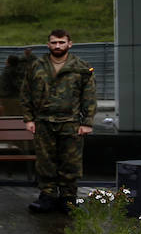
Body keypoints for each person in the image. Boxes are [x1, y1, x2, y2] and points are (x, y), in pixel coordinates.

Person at [21, 29, 96, 213]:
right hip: (43, 122)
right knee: (45, 161)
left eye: (61, 42)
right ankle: (47, 196)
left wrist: (87, 122)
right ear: (48, 45)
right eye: (54, 42)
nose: (57, 46)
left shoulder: (81, 67)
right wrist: (29, 119)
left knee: (71, 161)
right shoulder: (37, 66)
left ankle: (68, 198)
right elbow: (26, 93)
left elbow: (89, 96)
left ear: (70, 44)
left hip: (70, 122)